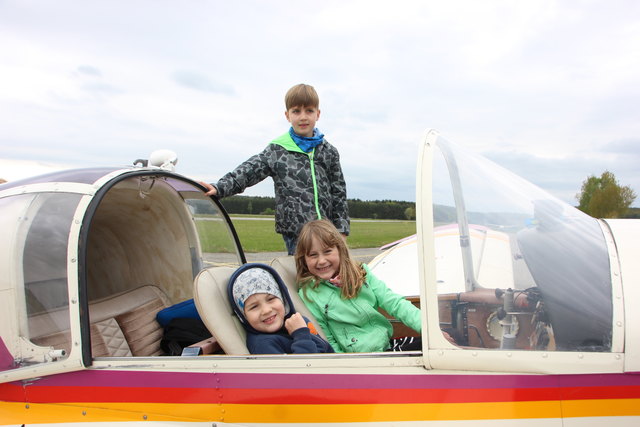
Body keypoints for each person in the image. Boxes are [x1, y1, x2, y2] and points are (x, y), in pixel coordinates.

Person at [201, 83, 349, 255]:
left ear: (318, 114)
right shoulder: (277, 150)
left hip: (327, 233)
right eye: (296, 111)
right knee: (305, 279)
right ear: (287, 115)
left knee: (330, 276)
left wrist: (342, 229)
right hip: (297, 234)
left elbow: (338, 192)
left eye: (309, 111)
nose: (303, 117)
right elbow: (249, 171)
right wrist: (220, 187)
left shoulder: (329, 152)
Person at [295, 220, 440, 353]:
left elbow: (394, 303)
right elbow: (326, 338)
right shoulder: (309, 294)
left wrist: (430, 330)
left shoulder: (361, 273)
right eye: (313, 255)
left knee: (436, 345)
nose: (321, 261)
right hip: (365, 359)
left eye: (327, 251)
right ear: (304, 259)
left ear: (340, 250)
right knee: (427, 350)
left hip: (386, 345)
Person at [227, 263, 334, 354]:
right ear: (243, 315)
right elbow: (302, 374)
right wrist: (301, 336)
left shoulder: (298, 322)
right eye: (254, 306)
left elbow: (326, 351)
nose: (266, 310)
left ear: (283, 300)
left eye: (271, 299)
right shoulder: (263, 345)